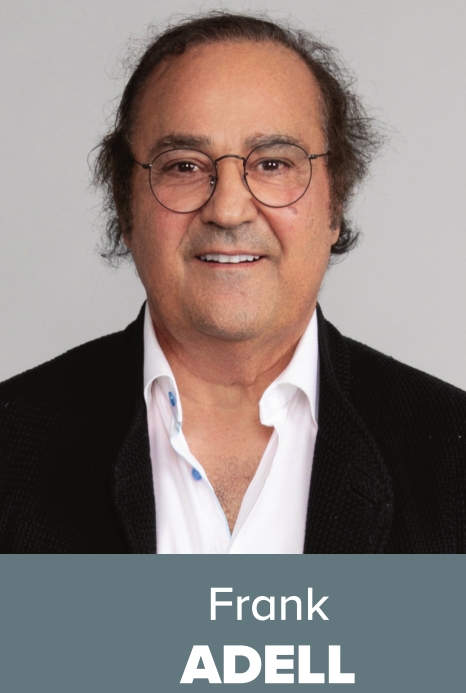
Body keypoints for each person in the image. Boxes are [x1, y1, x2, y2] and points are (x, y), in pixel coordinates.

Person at [0, 11, 465, 554]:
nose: (227, 208)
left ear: (335, 202)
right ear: (125, 206)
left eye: (273, 164)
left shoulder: (453, 458)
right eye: (184, 166)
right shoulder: (12, 446)